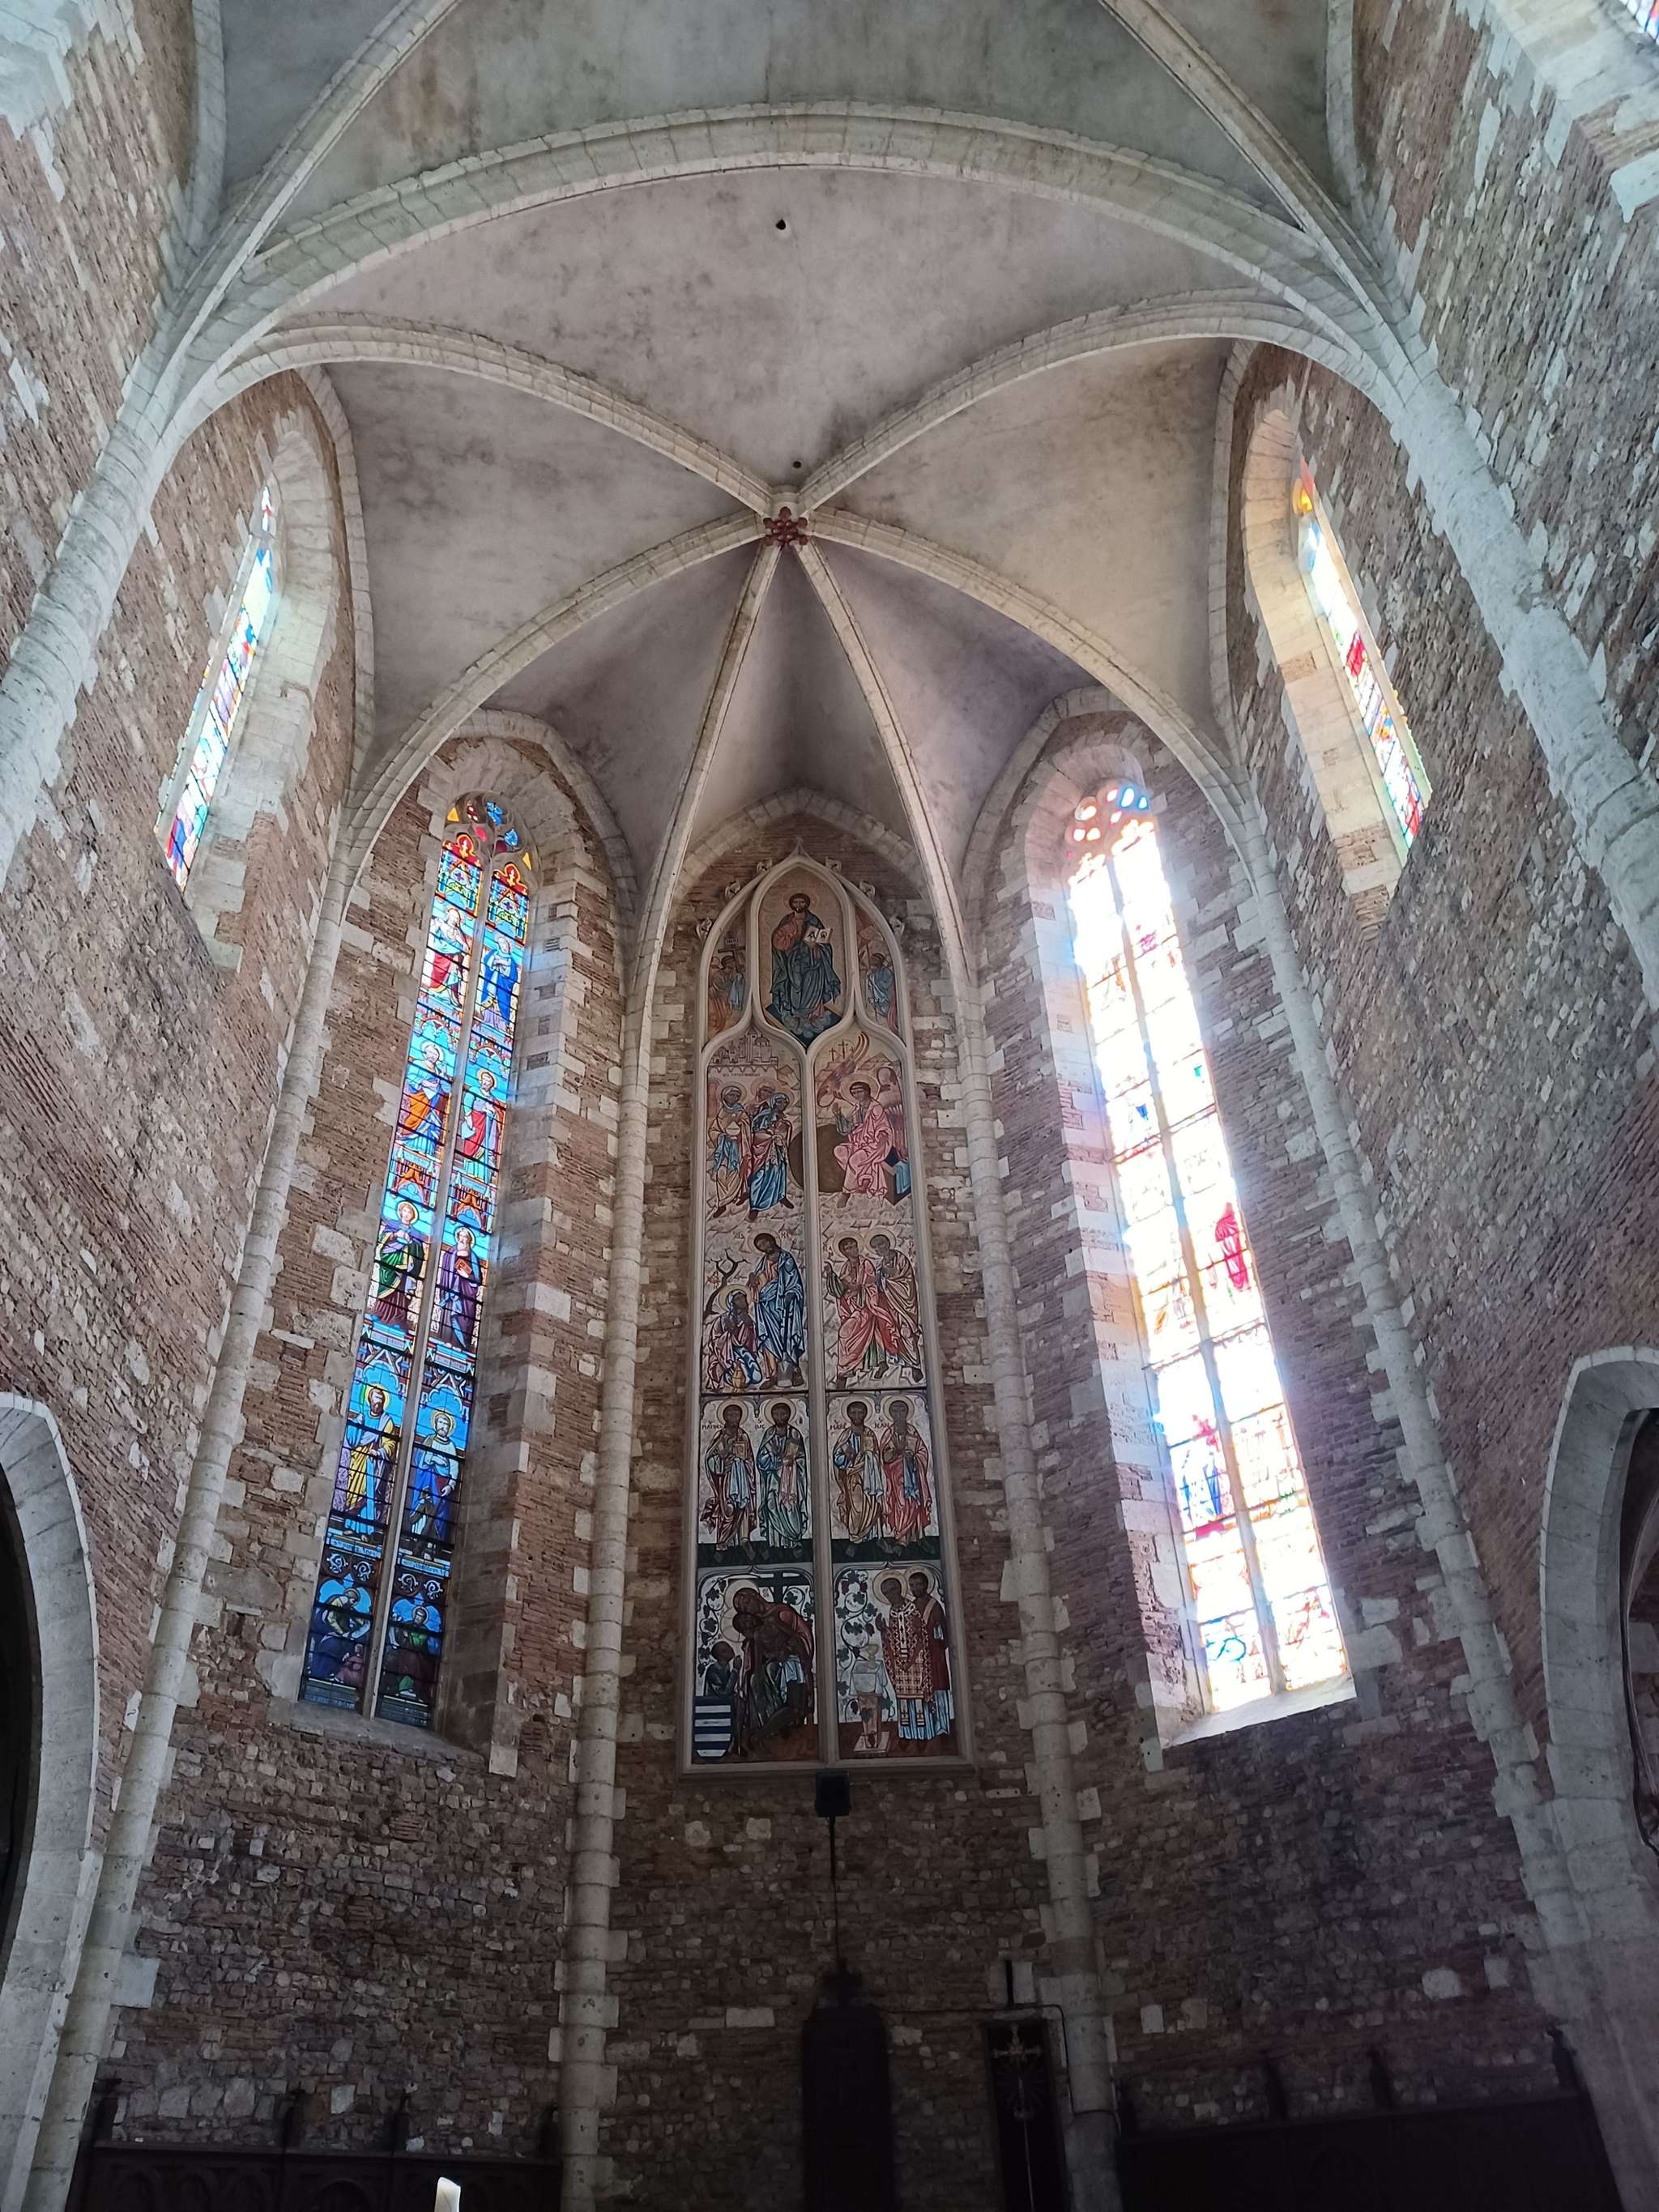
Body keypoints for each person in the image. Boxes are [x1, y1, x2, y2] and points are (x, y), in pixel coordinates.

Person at [731, 1584, 814, 1751]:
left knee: (796, 1707)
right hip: (782, 1667)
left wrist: (791, 1651)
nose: (746, 1609)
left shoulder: (778, 1615)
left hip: (793, 1662)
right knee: (759, 1681)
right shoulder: (757, 1634)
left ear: (755, 1596)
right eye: (742, 1609)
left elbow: (797, 1637)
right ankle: (765, 1731)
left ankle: (768, 1731)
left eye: (746, 1602)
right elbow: (759, 1660)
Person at [824, 1235, 902, 1385]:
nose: (852, 1250)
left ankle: (844, 1371)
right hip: (852, 1307)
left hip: (867, 1305)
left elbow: (871, 1284)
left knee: (846, 1334)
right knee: (867, 1334)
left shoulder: (866, 1264)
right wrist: (830, 1275)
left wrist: (857, 1289)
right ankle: (876, 1363)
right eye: (848, 1248)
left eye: (853, 1246)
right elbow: (839, 1291)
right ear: (844, 1252)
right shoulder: (846, 1267)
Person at [766, 890, 841, 1042]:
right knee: (796, 984)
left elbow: (824, 942)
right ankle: (796, 1012)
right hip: (794, 959)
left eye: (801, 902)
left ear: (806, 904)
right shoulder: (787, 921)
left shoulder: (814, 920)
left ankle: (813, 1015)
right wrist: (790, 938)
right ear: (791, 904)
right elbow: (777, 942)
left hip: (813, 960)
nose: (799, 905)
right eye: (796, 902)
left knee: (812, 985)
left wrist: (816, 946)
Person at [876, 1574, 940, 1743]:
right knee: (903, 1698)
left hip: (916, 1659)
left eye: (891, 1591)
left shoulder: (912, 1609)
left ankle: (922, 1733)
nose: (890, 1596)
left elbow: (922, 1634)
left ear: (899, 1589)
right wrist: (883, 1631)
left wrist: (913, 1655)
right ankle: (906, 1733)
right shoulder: (893, 1612)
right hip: (900, 1661)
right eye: (886, 1593)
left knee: (918, 1697)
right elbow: (893, 1636)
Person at [337, 1382, 399, 1525]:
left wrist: (379, 1452)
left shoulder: (386, 1421)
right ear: (370, 1399)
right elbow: (351, 1440)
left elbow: (390, 1444)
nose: (378, 1401)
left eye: (381, 1399)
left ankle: (362, 1529)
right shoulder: (362, 1416)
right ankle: (348, 1523)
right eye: (376, 1398)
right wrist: (357, 1424)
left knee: (367, 1493)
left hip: (373, 1463)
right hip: (357, 1459)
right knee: (351, 1490)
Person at [748, 1233, 806, 1385]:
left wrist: (792, 1293)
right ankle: (773, 1375)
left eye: (764, 1243)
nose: (763, 1247)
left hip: (784, 1306)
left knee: (787, 1335)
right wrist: (753, 1280)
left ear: (772, 1241)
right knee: (769, 1338)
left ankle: (793, 1370)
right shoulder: (762, 1263)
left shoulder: (786, 1259)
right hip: (766, 1307)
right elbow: (759, 1283)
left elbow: (794, 1281)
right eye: (760, 1246)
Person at [702, 1402, 757, 1556]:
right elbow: (709, 1459)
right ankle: (722, 1543)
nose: (734, 1418)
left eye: (737, 1415)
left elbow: (750, 1459)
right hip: (726, 1479)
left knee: (743, 1507)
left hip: (742, 1477)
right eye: (730, 1415)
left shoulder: (743, 1435)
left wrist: (744, 1461)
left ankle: (744, 1540)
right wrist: (722, 1461)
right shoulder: (720, 1436)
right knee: (728, 1509)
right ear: (725, 1417)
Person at [879, 1397, 932, 1549]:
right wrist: (897, 1451)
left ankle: (917, 1536)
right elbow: (884, 1457)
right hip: (896, 1478)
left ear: (907, 1413)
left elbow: (922, 1451)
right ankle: (901, 1538)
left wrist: (913, 1457)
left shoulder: (912, 1431)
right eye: (895, 1411)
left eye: (902, 1410)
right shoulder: (889, 1433)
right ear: (891, 1414)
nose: (899, 1414)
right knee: (901, 1503)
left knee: (915, 1503)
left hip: (913, 1475)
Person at [755, 1400, 808, 1552]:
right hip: (773, 1480)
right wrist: (772, 1455)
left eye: (783, 1414)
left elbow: (801, 1459)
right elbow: (761, 1461)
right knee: (772, 1506)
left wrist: (792, 1461)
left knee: (791, 1508)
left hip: (791, 1481)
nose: (780, 1417)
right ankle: (775, 1543)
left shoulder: (794, 1434)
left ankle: (793, 1540)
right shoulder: (769, 1435)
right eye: (776, 1414)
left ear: (788, 1415)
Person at [868, 1234, 924, 1379]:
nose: (879, 1249)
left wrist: (888, 1279)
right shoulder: (879, 1265)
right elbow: (877, 1284)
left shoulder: (901, 1259)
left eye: (881, 1244)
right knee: (889, 1332)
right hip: (887, 1305)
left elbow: (906, 1281)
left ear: (888, 1243)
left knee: (906, 1332)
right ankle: (891, 1361)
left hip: (903, 1304)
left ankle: (915, 1365)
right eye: (875, 1248)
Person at [831, 1079, 898, 1198]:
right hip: (859, 1143)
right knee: (839, 1151)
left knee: (854, 1160)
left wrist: (881, 1136)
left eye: (859, 1092)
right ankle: (862, 1179)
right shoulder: (857, 1109)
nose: (856, 1095)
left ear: (867, 1092)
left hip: (875, 1143)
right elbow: (847, 1129)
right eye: (853, 1093)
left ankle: (847, 1192)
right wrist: (838, 1115)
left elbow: (883, 1127)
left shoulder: (876, 1108)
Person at [833, 1400, 886, 1545]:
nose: (857, 1416)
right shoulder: (845, 1435)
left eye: (860, 1413)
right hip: (853, 1477)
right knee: (856, 1507)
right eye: (854, 1413)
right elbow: (837, 1457)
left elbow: (876, 1456)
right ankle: (856, 1538)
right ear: (849, 1415)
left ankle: (874, 1538)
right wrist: (847, 1458)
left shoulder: (869, 1434)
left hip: (869, 1476)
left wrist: (868, 1458)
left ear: (865, 1414)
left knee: (871, 1506)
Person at [370, 1202, 425, 1338]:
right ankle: (379, 1311)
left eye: (409, 1212)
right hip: (390, 1261)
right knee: (386, 1286)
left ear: (413, 1215)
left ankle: (399, 1318)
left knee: (401, 1291)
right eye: (404, 1211)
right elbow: (381, 1241)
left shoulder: (416, 1233)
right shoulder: (392, 1225)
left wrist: (411, 1243)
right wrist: (395, 1235)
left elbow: (420, 1253)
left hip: (406, 1267)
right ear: (400, 1212)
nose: (406, 1214)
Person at [913, 1571, 953, 1740]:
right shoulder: (912, 1607)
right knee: (921, 1692)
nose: (915, 1588)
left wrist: (933, 1630)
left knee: (938, 1690)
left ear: (926, 1585)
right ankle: (927, 1728)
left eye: (918, 1584)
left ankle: (942, 1726)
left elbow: (944, 1633)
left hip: (935, 1654)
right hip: (918, 1656)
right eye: (912, 1585)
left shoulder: (934, 1606)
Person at [703, 1283, 763, 1392]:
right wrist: (728, 1334)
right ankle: (726, 1375)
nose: (742, 1301)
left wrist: (750, 1327)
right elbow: (714, 1340)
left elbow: (752, 1342)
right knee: (744, 1378)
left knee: (757, 1377)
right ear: (732, 1303)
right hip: (726, 1354)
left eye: (743, 1298)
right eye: (738, 1299)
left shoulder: (748, 1319)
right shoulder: (723, 1320)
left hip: (744, 1351)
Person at [745, 1089, 795, 1216]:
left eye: (784, 1103)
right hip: (764, 1151)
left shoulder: (784, 1120)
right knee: (760, 1175)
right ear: (773, 1103)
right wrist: (771, 1137)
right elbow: (756, 1134)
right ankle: (755, 1205)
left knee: (779, 1173)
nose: (782, 1105)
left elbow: (785, 1137)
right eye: (779, 1102)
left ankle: (780, 1195)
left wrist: (782, 1138)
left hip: (778, 1150)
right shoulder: (765, 1116)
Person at [436, 1225, 484, 1355]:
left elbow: (478, 1279)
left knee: (463, 1317)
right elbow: (445, 1268)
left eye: (465, 1237)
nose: (462, 1239)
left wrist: (467, 1276)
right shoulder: (451, 1252)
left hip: (466, 1293)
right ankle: (446, 1339)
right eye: (461, 1236)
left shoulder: (473, 1257)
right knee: (449, 1314)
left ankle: (459, 1344)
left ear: (469, 1239)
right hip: (452, 1290)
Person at [398, 1043, 450, 1155]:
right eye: (431, 1052)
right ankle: (406, 1140)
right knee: (414, 1118)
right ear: (425, 1053)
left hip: (433, 1105)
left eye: (435, 1054)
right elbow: (411, 1077)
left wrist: (443, 1075)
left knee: (429, 1125)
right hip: (419, 1099)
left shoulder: (439, 1072)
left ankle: (426, 1150)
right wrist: (425, 1083)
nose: (433, 1056)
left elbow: (447, 1089)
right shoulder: (418, 1064)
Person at [709, 1084, 750, 1216]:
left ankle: (731, 1199)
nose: (735, 1098)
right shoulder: (721, 1113)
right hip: (724, 1149)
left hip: (737, 1149)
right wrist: (722, 1136)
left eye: (737, 1096)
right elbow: (713, 1131)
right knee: (721, 1174)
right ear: (724, 1097)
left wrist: (741, 1128)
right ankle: (722, 1202)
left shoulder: (741, 1112)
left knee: (735, 1174)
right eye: (732, 1095)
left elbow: (747, 1128)